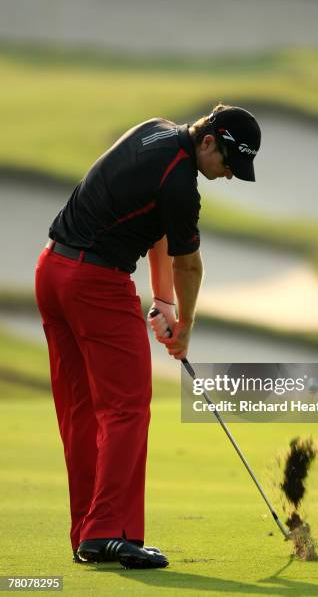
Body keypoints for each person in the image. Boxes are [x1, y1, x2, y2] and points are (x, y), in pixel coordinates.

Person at [34, 103, 261, 569]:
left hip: (52, 270)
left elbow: (155, 229)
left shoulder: (154, 132)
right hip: (95, 285)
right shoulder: (181, 184)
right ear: (208, 142)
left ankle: (87, 533)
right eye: (228, 165)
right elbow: (189, 264)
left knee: (81, 412)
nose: (230, 176)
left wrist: (164, 302)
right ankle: (109, 533)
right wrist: (186, 331)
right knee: (127, 408)